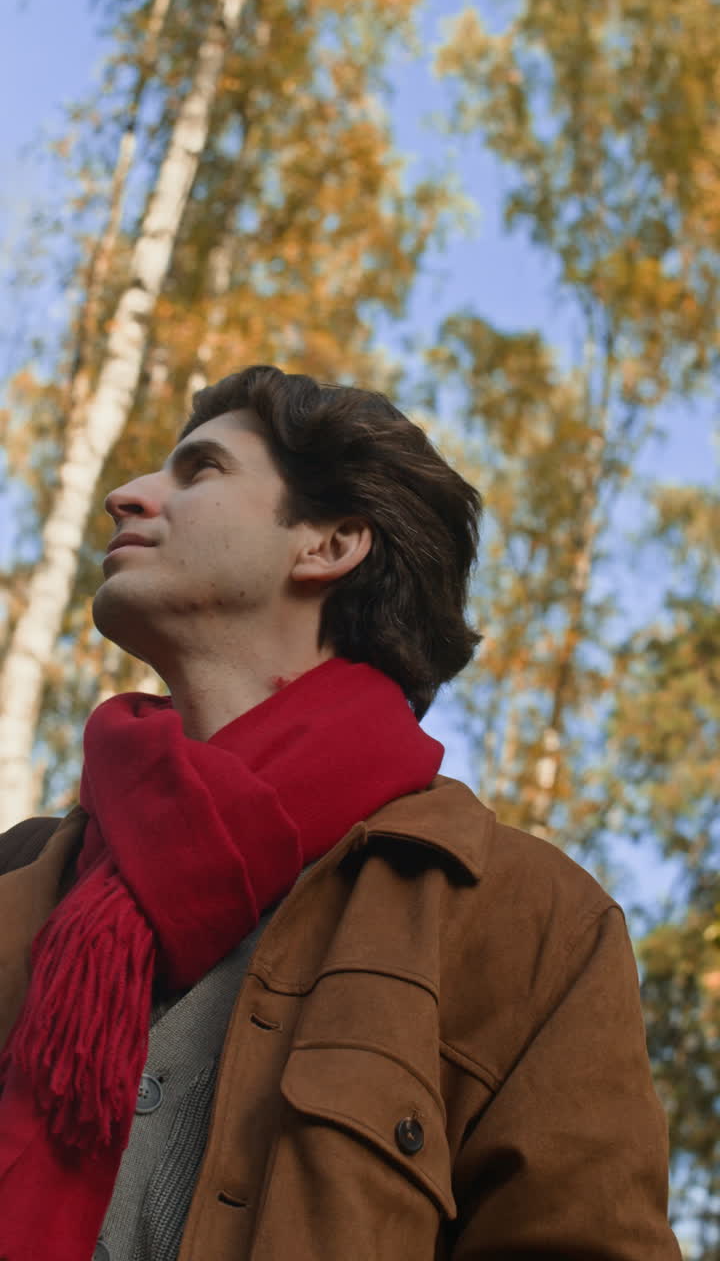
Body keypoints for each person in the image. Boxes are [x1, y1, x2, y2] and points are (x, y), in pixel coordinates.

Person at [0, 365, 680, 1261]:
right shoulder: (20, 875)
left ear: (329, 545)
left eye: (199, 470)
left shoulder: (526, 919)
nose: (126, 497)